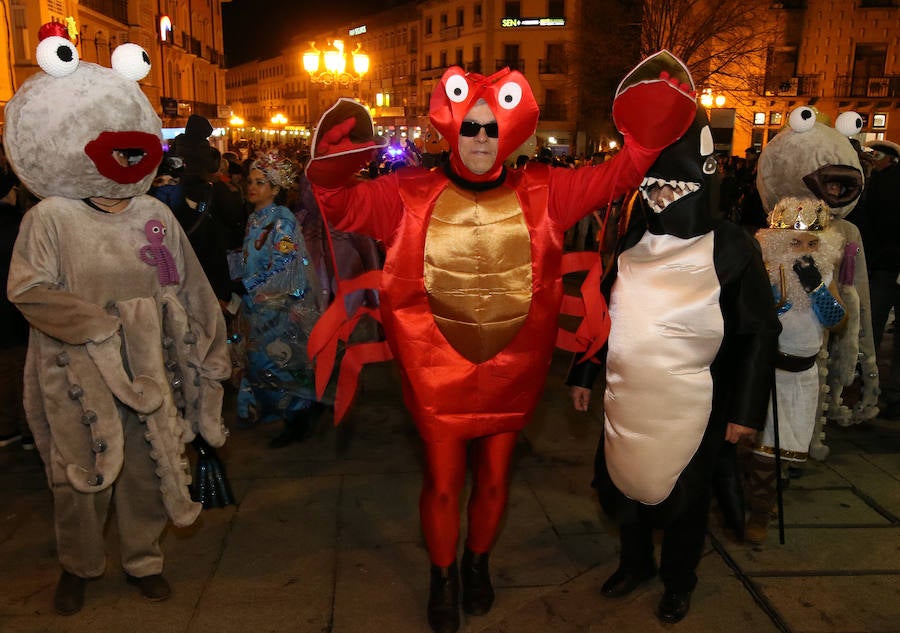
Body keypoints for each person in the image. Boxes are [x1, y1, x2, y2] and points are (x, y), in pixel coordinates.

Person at [304, 52, 697, 633]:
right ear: (451, 128)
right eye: (470, 126)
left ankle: (477, 563)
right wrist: (336, 161)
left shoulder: (547, 192)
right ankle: (443, 578)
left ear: (508, 132)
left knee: (493, 479)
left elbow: (619, 175)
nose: (480, 137)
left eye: (491, 127)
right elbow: (338, 208)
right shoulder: (404, 194)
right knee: (442, 484)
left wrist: (650, 127)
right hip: (435, 373)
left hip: (514, 369)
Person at [4, 25, 229, 615]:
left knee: (150, 465)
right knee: (78, 474)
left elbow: (190, 284)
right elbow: (28, 288)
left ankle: (142, 559)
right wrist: (96, 326)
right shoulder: (51, 217)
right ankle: (78, 565)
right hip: (75, 369)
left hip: (152, 368)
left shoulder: (155, 211)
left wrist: (211, 351)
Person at [568, 106, 780, 624]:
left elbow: (758, 331)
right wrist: (585, 371)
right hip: (627, 398)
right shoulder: (633, 237)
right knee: (626, 484)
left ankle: (678, 580)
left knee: (687, 497)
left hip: (695, 403)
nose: (660, 196)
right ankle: (634, 564)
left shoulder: (731, 247)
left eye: (671, 186)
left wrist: (746, 412)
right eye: (652, 185)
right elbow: (603, 310)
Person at [746, 199, 846, 544]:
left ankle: (763, 499)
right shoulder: (767, 274)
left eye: (813, 243)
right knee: (763, 449)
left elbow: (836, 320)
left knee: (783, 448)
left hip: (803, 375)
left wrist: (816, 288)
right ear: (778, 243)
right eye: (795, 242)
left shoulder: (825, 276)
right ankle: (757, 511)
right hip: (769, 372)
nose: (805, 250)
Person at [237, 153, 324, 447]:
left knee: (283, 363)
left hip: (279, 309)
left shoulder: (281, 220)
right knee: (260, 363)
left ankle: (297, 419)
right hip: (257, 308)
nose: (252, 187)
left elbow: (285, 265)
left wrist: (251, 284)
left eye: (260, 183)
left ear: (275, 189)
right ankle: (279, 411)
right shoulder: (253, 218)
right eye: (250, 181)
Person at [856, 140, 900, 419]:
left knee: (870, 330)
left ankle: (867, 387)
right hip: (886, 265)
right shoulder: (882, 182)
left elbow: (868, 223)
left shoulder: (882, 184)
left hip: (883, 266)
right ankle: (892, 395)